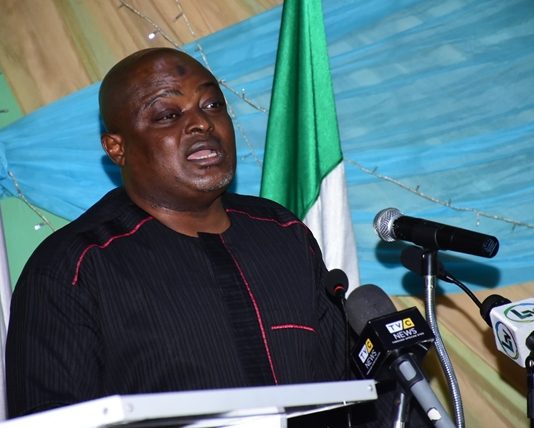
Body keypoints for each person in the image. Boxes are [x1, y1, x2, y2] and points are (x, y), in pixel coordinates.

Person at [5, 48, 347, 420]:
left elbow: (349, 392)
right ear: (117, 148)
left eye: (213, 105)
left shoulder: (282, 233)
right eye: (168, 114)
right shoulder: (73, 268)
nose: (202, 123)